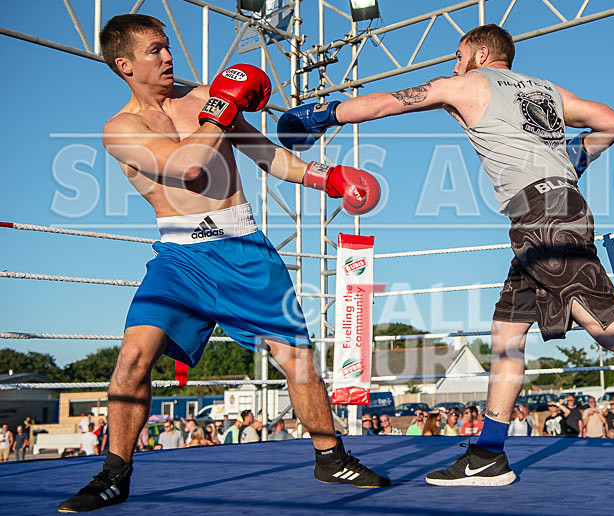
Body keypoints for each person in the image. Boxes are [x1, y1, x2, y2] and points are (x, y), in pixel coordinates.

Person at [278, 23, 614, 493]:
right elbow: (612, 121)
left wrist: (324, 116)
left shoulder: (471, 82)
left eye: (457, 56)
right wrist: (575, 159)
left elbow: (392, 102)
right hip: (552, 211)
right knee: (507, 331)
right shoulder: (545, 91)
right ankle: (489, 453)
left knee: (609, 327)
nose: (454, 67)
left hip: (544, 217)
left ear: (479, 53)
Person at [57, 13, 388, 513]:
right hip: (179, 260)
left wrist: (328, 176)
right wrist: (222, 107)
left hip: (243, 247)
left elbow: (268, 155)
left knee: (296, 358)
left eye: (167, 47)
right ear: (124, 64)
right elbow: (186, 168)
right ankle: (112, 475)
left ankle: (331, 457)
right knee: (132, 357)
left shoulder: (200, 101)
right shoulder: (121, 128)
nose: (168, 57)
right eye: (154, 51)